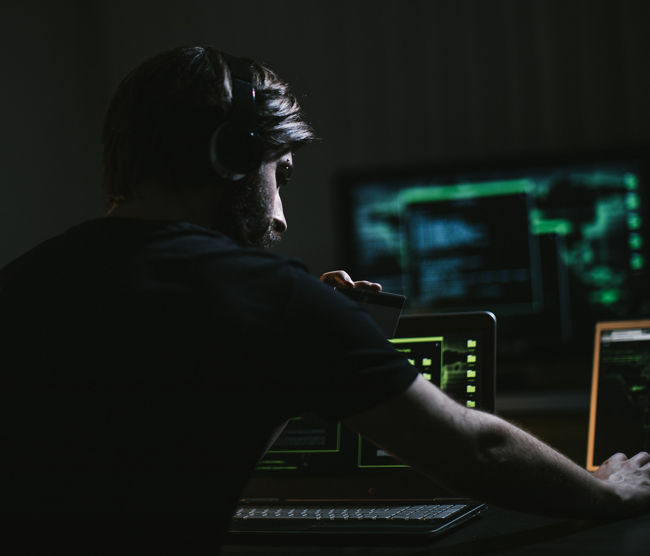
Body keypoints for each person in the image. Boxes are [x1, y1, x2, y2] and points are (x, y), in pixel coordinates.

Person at [1, 45, 649, 553]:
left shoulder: (22, 280)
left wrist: (317, 331)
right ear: (229, 156)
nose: (279, 217)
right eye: (277, 174)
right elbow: (477, 451)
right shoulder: (270, 301)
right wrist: (608, 492)